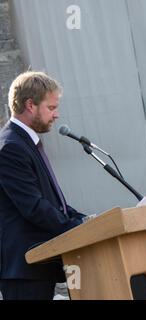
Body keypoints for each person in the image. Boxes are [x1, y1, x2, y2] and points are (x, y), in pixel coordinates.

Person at [0, 71, 85, 300]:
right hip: (24, 269)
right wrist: (75, 228)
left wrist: (85, 220)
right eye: (51, 107)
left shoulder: (26, 142)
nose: (56, 115)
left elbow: (52, 202)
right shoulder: (10, 147)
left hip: (37, 265)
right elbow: (34, 207)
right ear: (30, 105)